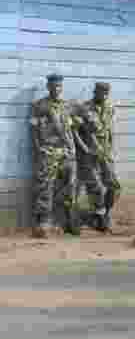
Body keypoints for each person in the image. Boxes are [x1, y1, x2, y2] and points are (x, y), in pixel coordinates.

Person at [29, 74, 78, 238]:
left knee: (70, 186)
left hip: (66, 152)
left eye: (59, 86)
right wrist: (39, 149)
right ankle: (44, 222)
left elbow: (71, 130)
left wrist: (72, 149)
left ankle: (68, 220)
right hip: (49, 152)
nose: (57, 89)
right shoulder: (39, 106)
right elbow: (33, 129)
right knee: (45, 187)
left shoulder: (67, 106)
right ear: (48, 87)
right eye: (54, 86)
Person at [74, 82, 119, 233]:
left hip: (106, 152)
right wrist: (84, 149)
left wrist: (111, 149)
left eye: (107, 94)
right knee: (96, 188)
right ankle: (99, 217)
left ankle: (105, 213)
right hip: (90, 154)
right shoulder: (84, 108)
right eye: (101, 93)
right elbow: (75, 131)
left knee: (114, 186)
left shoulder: (110, 108)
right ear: (95, 92)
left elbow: (110, 130)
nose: (104, 96)